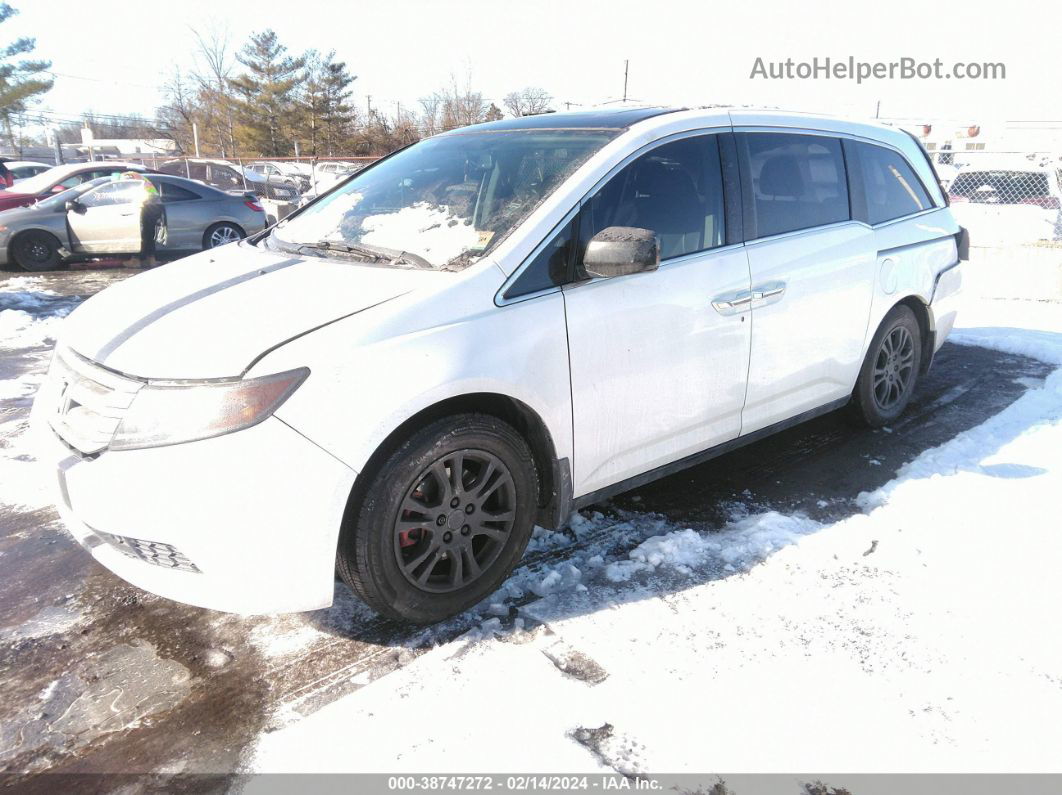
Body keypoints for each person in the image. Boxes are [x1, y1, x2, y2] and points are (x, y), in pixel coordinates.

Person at [120, 172, 165, 267]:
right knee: (148, 234)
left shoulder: (128, 178)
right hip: (155, 206)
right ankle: (151, 260)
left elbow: (131, 195)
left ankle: (136, 260)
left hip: (148, 207)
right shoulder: (138, 177)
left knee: (141, 234)